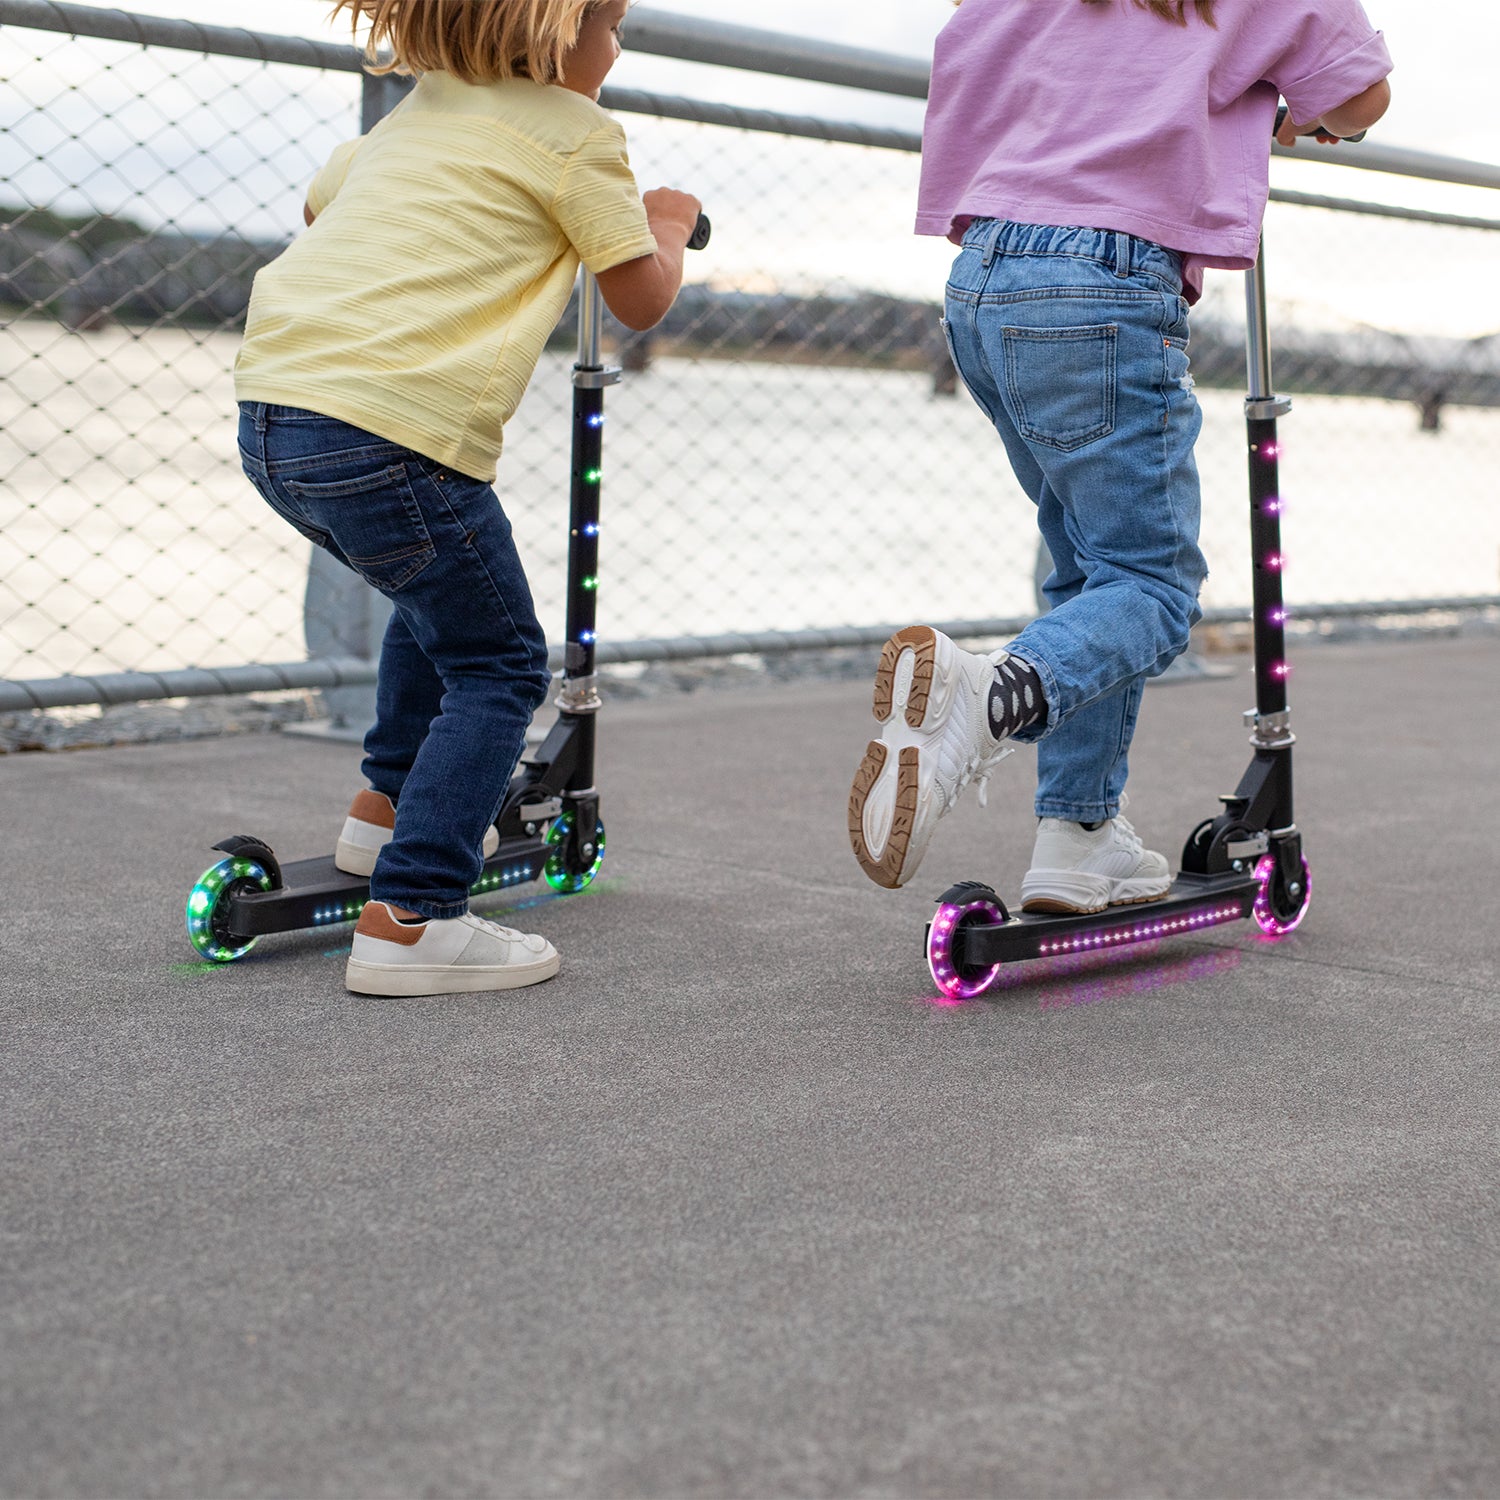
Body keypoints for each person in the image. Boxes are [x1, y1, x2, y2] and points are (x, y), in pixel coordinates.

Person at [848, 0, 1391, 911]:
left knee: (1088, 570)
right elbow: (1361, 92)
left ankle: (1080, 834)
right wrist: (1307, 113)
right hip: (1106, 276)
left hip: (986, 270)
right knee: (1153, 585)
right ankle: (983, 699)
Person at [234, 0, 701, 996]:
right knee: (499, 664)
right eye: (611, 24)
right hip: (397, 439)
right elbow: (640, 296)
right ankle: (414, 918)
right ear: (554, 32)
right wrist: (667, 217)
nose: (618, 47)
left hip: (276, 417)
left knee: (435, 601)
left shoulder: (411, 112)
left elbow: (324, 215)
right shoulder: (579, 135)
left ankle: (383, 818)